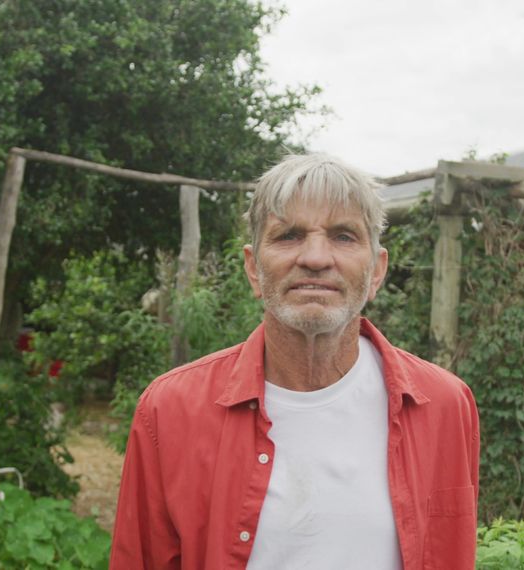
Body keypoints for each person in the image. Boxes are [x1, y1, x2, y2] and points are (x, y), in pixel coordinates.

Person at [110, 154, 480, 569]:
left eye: (343, 236)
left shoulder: (446, 406)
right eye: (289, 235)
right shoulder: (170, 411)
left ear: (377, 272)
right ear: (253, 269)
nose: (316, 258)